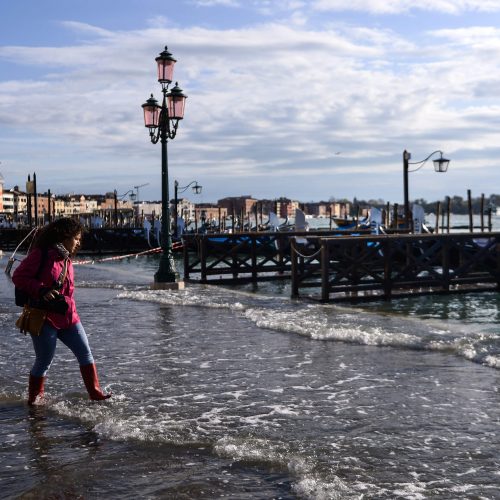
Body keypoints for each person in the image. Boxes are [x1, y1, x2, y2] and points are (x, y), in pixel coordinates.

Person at [12, 217, 111, 405]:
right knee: (44, 362)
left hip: (69, 316)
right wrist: (41, 290)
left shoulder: (66, 258)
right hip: (43, 317)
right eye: (76, 238)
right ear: (64, 237)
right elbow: (18, 276)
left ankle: (96, 393)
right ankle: (34, 401)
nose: (79, 242)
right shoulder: (40, 255)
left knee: (86, 353)